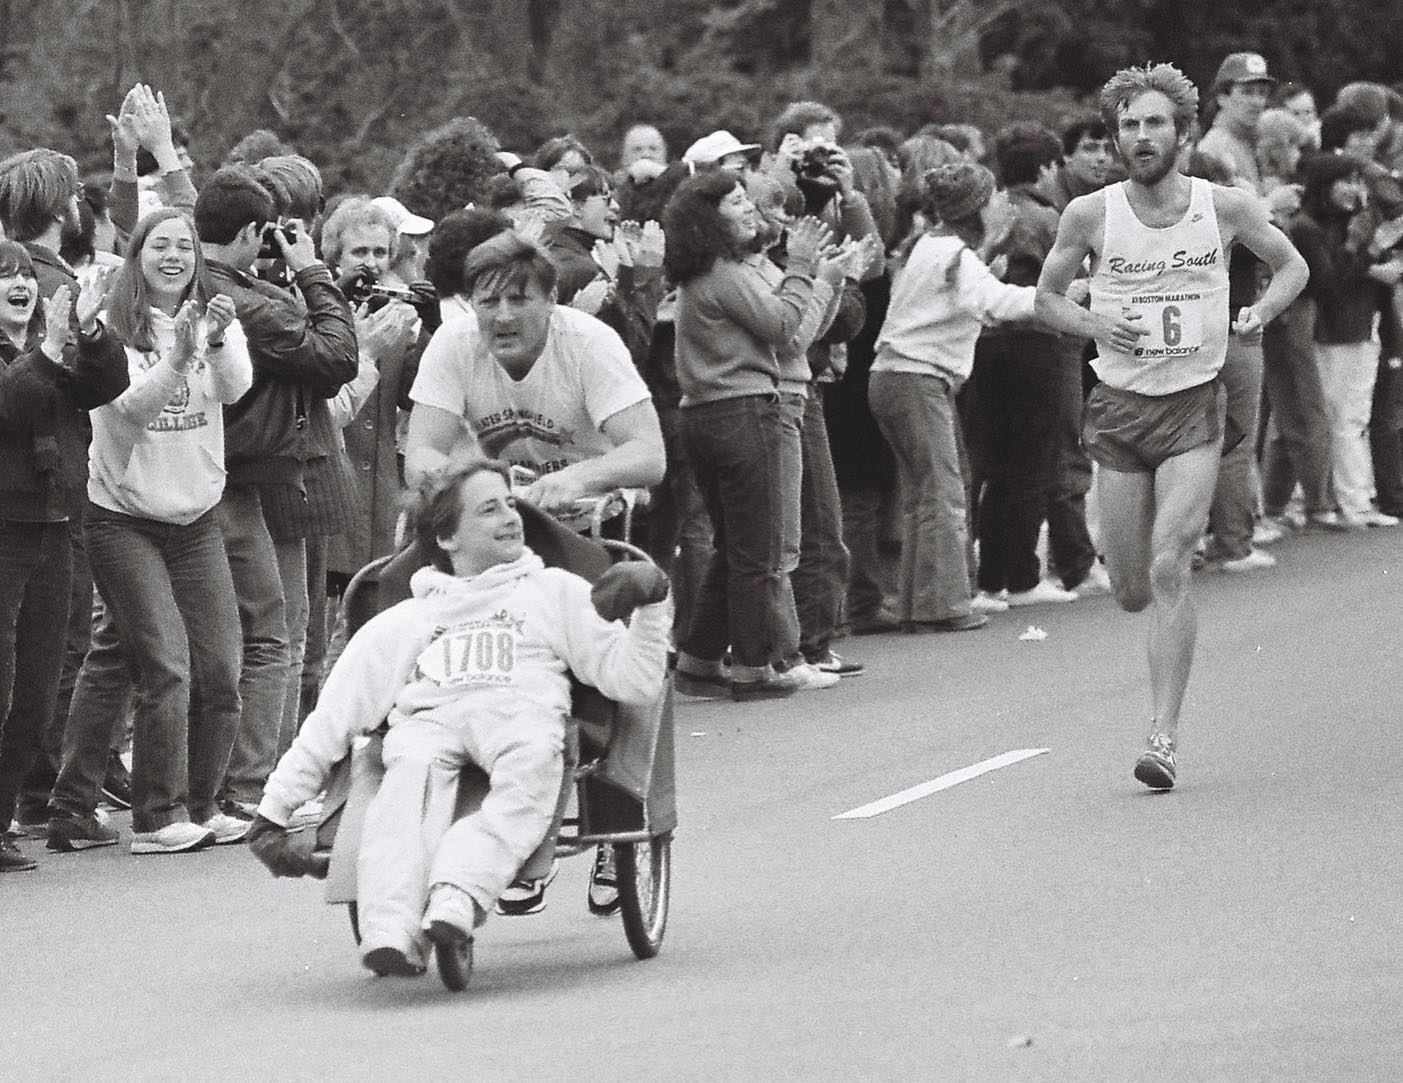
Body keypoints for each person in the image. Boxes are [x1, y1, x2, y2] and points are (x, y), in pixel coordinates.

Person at [247, 459, 671, 976]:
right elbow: (333, 717)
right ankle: (390, 930)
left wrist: (652, 605)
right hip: (431, 721)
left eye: (511, 504)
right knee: (402, 792)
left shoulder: (555, 591)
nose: (511, 517)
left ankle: (457, 896)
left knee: (531, 771)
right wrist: (273, 813)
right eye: (489, 510)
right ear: (447, 538)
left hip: (523, 715)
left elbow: (633, 682)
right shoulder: (409, 616)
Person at [1034, 63, 1308, 790]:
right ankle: (1132, 588)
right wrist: (1095, 320)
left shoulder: (1224, 207)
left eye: (1154, 122)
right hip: (1120, 410)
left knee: (1169, 564)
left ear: (1182, 133)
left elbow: (1292, 268)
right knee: (1128, 587)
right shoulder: (1089, 214)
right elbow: (1044, 300)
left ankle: (1162, 734)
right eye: (1127, 124)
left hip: (1193, 404)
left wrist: (1260, 312)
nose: (1140, 136)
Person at [49, 210, 253, 854]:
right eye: (159, 245)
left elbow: (235, 388)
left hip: (194, 519)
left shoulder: (213, 317)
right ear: (136, 257)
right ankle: (158, 817)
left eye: (185, 246)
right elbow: (132, 408)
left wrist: (214, 341)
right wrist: (181, 354)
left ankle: (197, 801)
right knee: (167, 664)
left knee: (220, 667)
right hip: (121, 518)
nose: (174, 256)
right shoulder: (109, 332)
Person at [194, 166, 358, 817]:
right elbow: (335, 356)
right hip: (249, 476)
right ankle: (254, 784)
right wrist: (313, 272)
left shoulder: (203, 280)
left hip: (225, 472)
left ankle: (229, 780)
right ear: (252, 232)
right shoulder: (244, 299)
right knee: (277, 636)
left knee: (246, 636)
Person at [663, 171, 844, 699]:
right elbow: (785, 327)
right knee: (760, 548)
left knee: (736, 545)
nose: (747, 209)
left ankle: (698, 660)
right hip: (742, 411)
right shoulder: (725, 272)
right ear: (708, 217)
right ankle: (755, 665)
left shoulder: (699, 273)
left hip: (705, 416)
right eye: (736, 201)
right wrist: (804, 266)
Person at [868, 162, 1038, 634]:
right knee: (943, 491)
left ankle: (920, 602)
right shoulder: (957, 255)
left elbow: (965, 300)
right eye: (993, 198)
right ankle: (942, 604)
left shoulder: (935, 245)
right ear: (977, 208)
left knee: (925, 492)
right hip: (917, 378)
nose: (1001, 203)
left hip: (894, 376)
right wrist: (1050, 298)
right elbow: (994, 303)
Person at [0, 245, 127, 870]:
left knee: (41, 682)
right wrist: (49, 349)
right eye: (4, 276)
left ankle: (1, 820)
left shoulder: (54, 350)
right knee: (3, 682)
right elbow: (10, 406)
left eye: (26, 274)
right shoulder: (29, 359)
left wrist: (92, 330)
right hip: (5, 531)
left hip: (57, 527)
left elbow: (111, 384)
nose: (20, 283)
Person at [404, 231, 664, 512]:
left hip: (591, 523)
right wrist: (478, 486)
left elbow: (649, 454)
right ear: (471, 302)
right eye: (489, 302)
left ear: (551, 298)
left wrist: (577, 477)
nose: (503, 316)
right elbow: (420, 455)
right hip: (498, 520)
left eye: (518, 300)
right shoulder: (454, 342)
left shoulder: (590, 343)